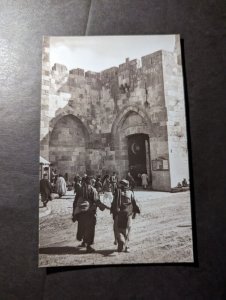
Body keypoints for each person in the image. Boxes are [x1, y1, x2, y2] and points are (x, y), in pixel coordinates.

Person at [72, 176, 109, 253]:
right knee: (90, 229)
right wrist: (105, 207)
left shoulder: (80, 189)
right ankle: (88, 246)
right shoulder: (92, 190)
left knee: (82, 226)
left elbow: (75, 202)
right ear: (91, 182)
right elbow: (97, 201)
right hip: (90, 213)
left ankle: (84, 242)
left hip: (80, 212)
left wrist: (74, 213)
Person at [111, 179, 140, 252]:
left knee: (116, 228)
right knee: (128, 230)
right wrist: (135, 212)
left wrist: (113, 213)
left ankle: (119, 241)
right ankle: (126, 246)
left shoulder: (117, 193)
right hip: (128, 214)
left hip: (118, 214)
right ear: (127, 185)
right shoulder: (130, 193)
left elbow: (113, 204)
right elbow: (134, 204)